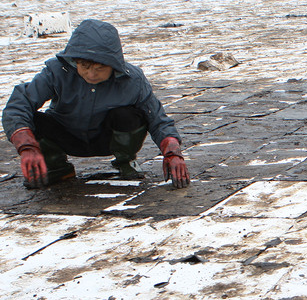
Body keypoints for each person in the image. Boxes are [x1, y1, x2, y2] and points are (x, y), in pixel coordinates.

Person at [3, 19, 190, 189]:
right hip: (66, 136)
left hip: (106, 139)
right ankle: (55, 166)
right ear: (73, 60)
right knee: (32, 119)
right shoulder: (57, 71)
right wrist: (27, 146)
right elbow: (20, 102)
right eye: (84, 66)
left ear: (114, 65)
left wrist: (172, 152)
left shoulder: (132, 80)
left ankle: (125, 161)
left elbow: (157, 118)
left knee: (130, 115)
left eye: (100, 68)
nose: (91, 75)